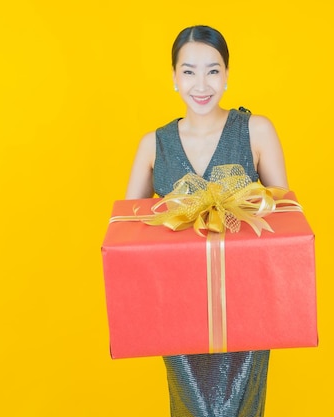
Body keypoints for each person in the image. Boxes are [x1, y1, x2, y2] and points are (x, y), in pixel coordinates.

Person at [125, 25, 289, 417]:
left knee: (239, 407)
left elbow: (286, 221)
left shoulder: (256, 130)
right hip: (178, 309)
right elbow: (125, 230)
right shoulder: (154, 144)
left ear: (228, 75)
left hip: (248, 306)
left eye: (213, 70)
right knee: (193, 408)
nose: (202, 83)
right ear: (173, 78)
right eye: (189, 71)